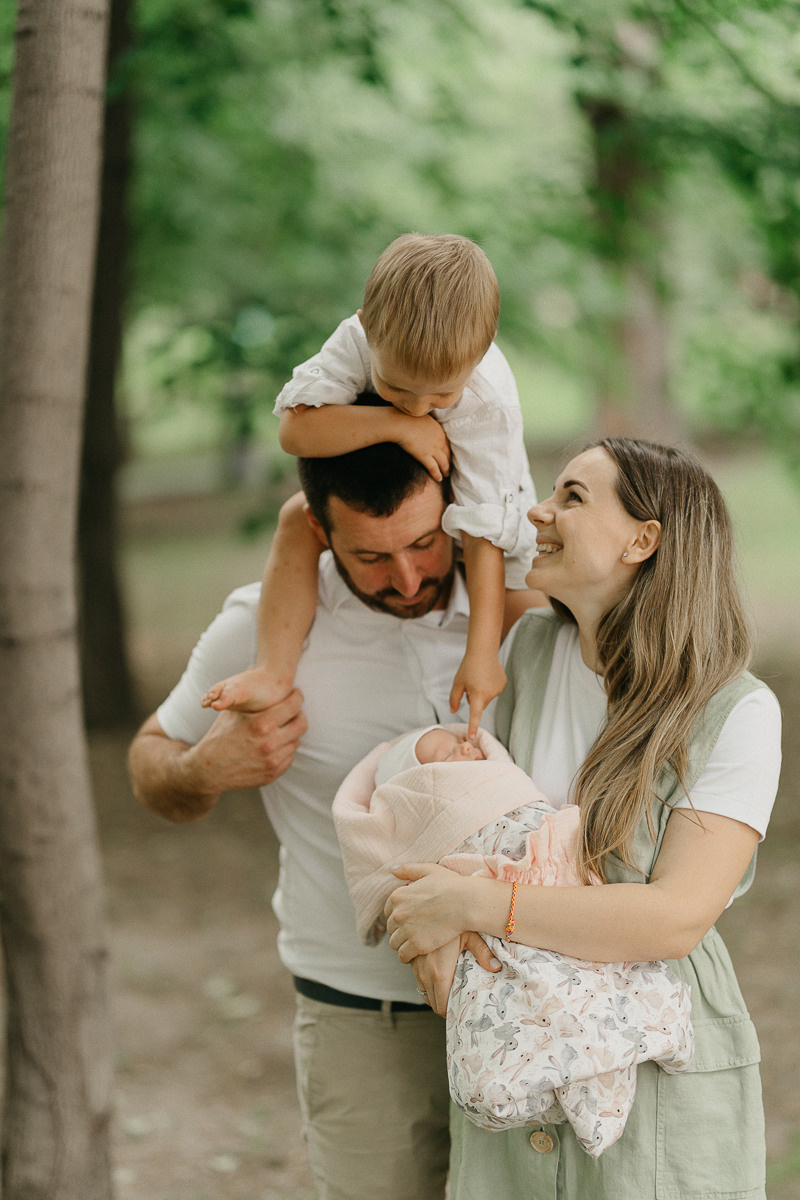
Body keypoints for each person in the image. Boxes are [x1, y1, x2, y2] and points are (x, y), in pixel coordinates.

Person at [127, 439, 533, 1200]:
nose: (408, 578)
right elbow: (150, 761)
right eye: (371, 557)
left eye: (423, 541)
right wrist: (202, 770)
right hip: (359, 1016)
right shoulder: (262, 629)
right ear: (317, 529)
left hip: (533, 999)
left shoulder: (528, 613)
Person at [383, 438, 782, 1200]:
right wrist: (438, 920)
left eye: (571, 496)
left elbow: (673, 918)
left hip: (652, 1062)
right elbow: (472, 818)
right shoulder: (528, 650)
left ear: (644, 539)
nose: (540, 510)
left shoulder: (735, 711)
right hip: (512, 1041)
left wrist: (468, 905)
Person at [202, 233, 539, 738]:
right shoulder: (358, 340)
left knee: (534, 633)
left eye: (443, 394)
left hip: (493, 532)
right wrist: (396, 426)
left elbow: (483, 536)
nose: (419, 406)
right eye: (397, 388)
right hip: (415, 497)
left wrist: (481, 654)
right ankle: (273, 670)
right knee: (299, 515)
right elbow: (294, 431)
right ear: (365, 327)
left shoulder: (489, 401)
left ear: (483, 350)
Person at [332, 722, 694, 1158]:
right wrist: (456, 903)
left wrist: (468, 901)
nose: (466, 746)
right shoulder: (447, 830)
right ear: (423, 787)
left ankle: (601, 1091)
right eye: (447, 755)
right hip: (504, 926)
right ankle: (549, 1088)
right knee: (531, 1000)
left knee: (589, 994)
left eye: (461, 741)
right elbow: (449, 877)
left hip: (560, 910)